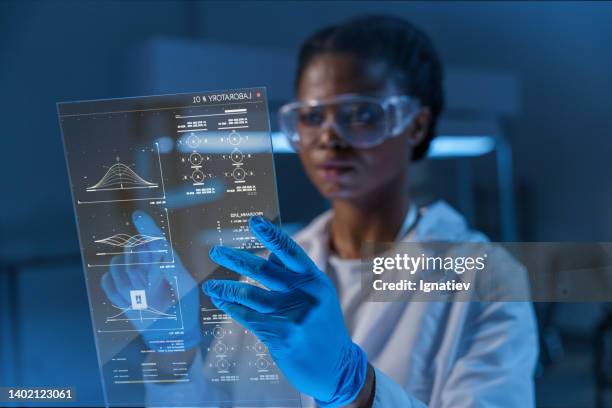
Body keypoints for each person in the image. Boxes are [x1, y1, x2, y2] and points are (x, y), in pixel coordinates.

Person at [104, 15, 538, 407]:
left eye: (362, 113)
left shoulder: (489, 279)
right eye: (311, 117)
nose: (329, 138)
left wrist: (356, 388)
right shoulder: (268, 269)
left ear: (417, 125)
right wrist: (174, 352)